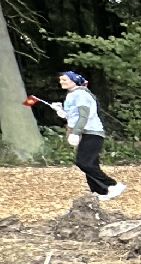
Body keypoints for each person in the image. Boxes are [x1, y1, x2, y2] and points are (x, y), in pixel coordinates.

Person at [50, 71, 123, 199]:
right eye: (61, 80)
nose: (61, 82)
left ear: (74, 81)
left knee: (83, 163)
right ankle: (100, 192)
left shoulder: (81, 94)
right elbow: (74, 116)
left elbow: (84, 116)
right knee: (91, 164)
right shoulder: (72, 94)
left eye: (65, 80)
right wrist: (61, 111)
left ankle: (112, 185)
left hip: (92, 133)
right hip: (86, 133)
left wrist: (76, 133)